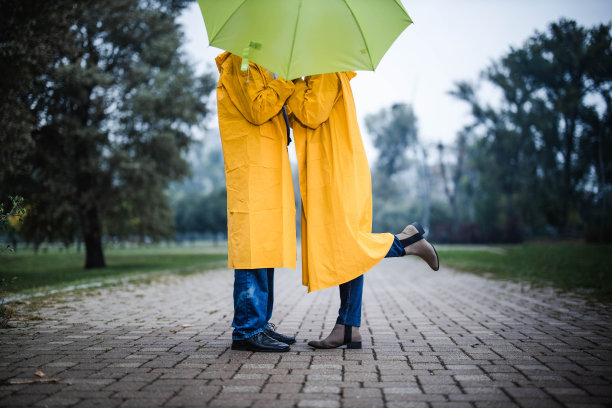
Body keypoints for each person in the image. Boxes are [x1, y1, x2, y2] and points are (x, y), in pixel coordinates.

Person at [287, 72, 439, 349]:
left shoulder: (325, 67)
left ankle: (406, 242)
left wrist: (292, 84)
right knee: (347, 251)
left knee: (348, 244)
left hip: (337, 173)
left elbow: (311, 112)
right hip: (336, 170)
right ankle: (348, 328)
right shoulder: (323, 69)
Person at [215, 51, 297, 352]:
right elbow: (257, 108)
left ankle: (260, 324)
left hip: (266, 172)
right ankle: (247, 330)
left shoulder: (261, 63)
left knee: (263, 247)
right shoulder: (242, 61)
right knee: (252, 249)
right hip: (251, 172)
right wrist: (286, 81)